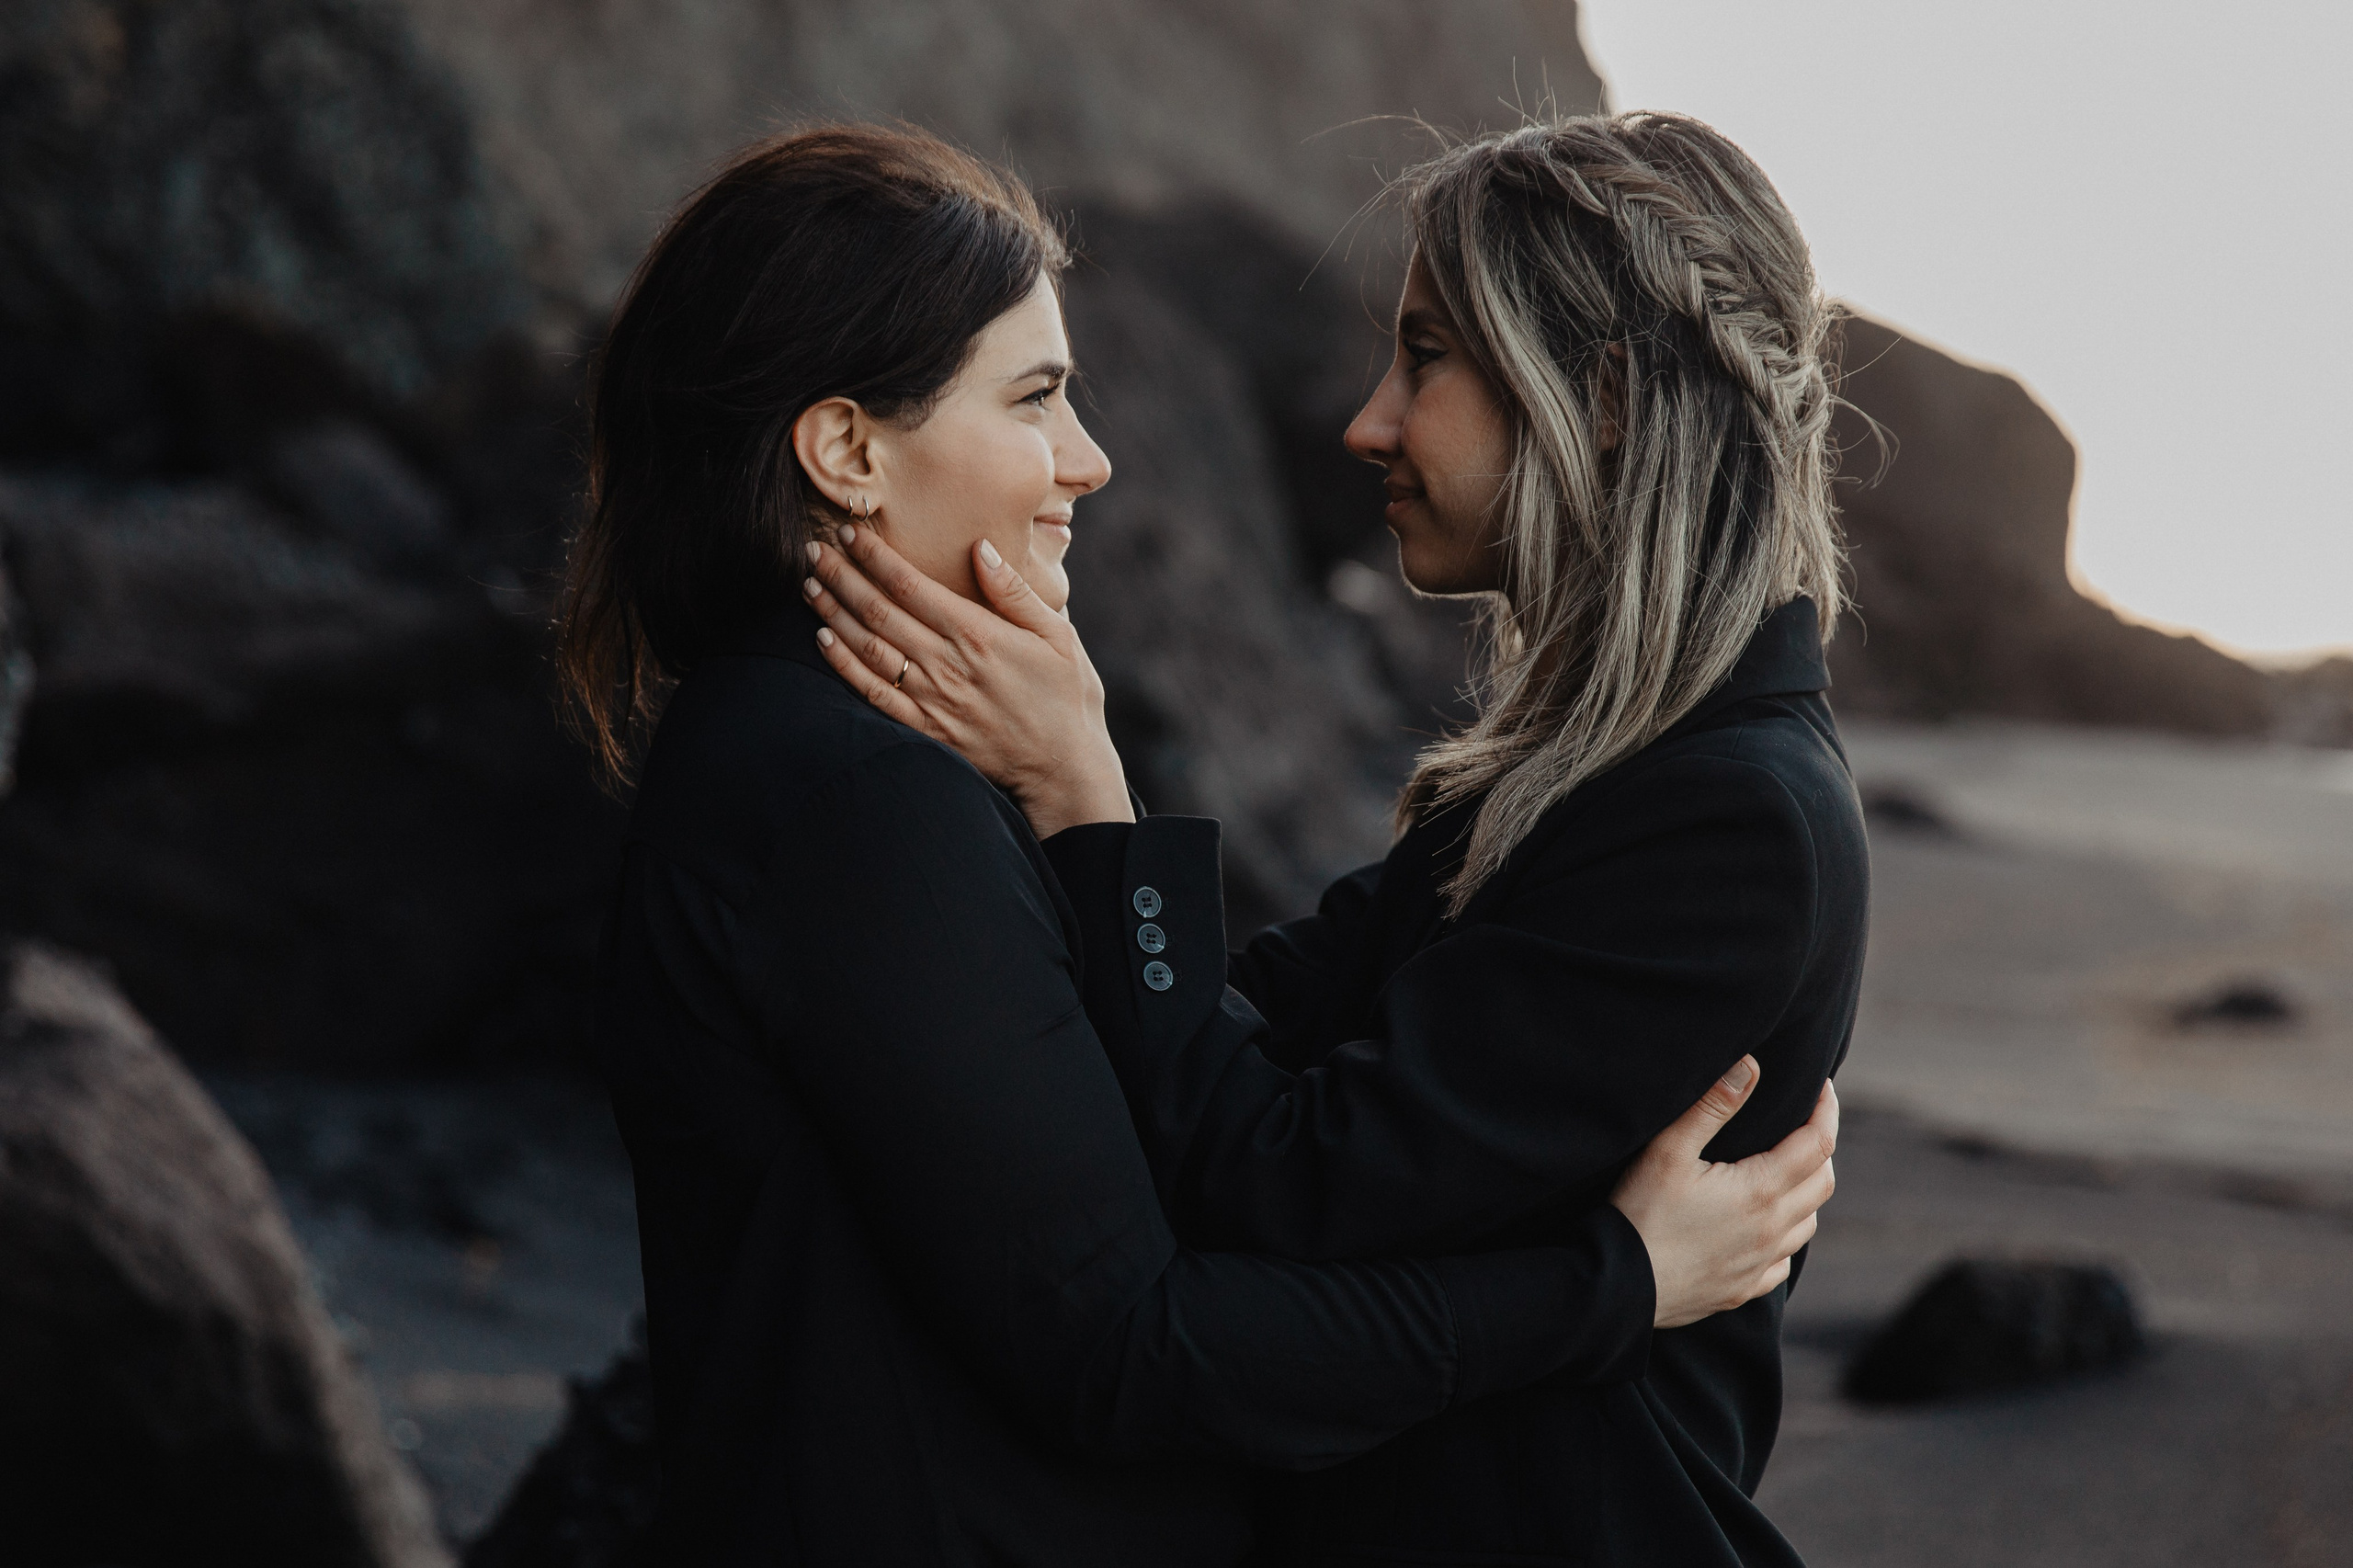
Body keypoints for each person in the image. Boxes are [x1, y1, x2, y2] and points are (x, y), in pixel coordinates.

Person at [562, 122, 1836, 1565]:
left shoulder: (1717, 814)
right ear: (849, 446)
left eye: (1423, 357)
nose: (1094, 462)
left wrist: (1084, 795)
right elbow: (1165, 1290)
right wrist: (1614, 1278)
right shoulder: (849, 791)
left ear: (1599, 400)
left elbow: (1251, 1140)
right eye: (1038, 396)